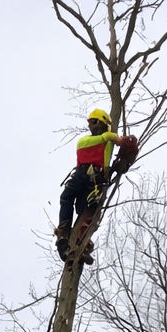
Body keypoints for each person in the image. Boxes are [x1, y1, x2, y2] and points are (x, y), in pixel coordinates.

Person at [56, 108, 119, 263]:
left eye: (95, 122)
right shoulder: (86, 141)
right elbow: (87, 143)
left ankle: (82, 244)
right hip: (82, 174)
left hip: (96, 179)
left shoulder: (108, 139)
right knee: (67, 198)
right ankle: (63, 237)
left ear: (104, 124)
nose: (92, 126)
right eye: (91, 123)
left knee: (86, 210)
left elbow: (118, 143)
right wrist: (109, 136)